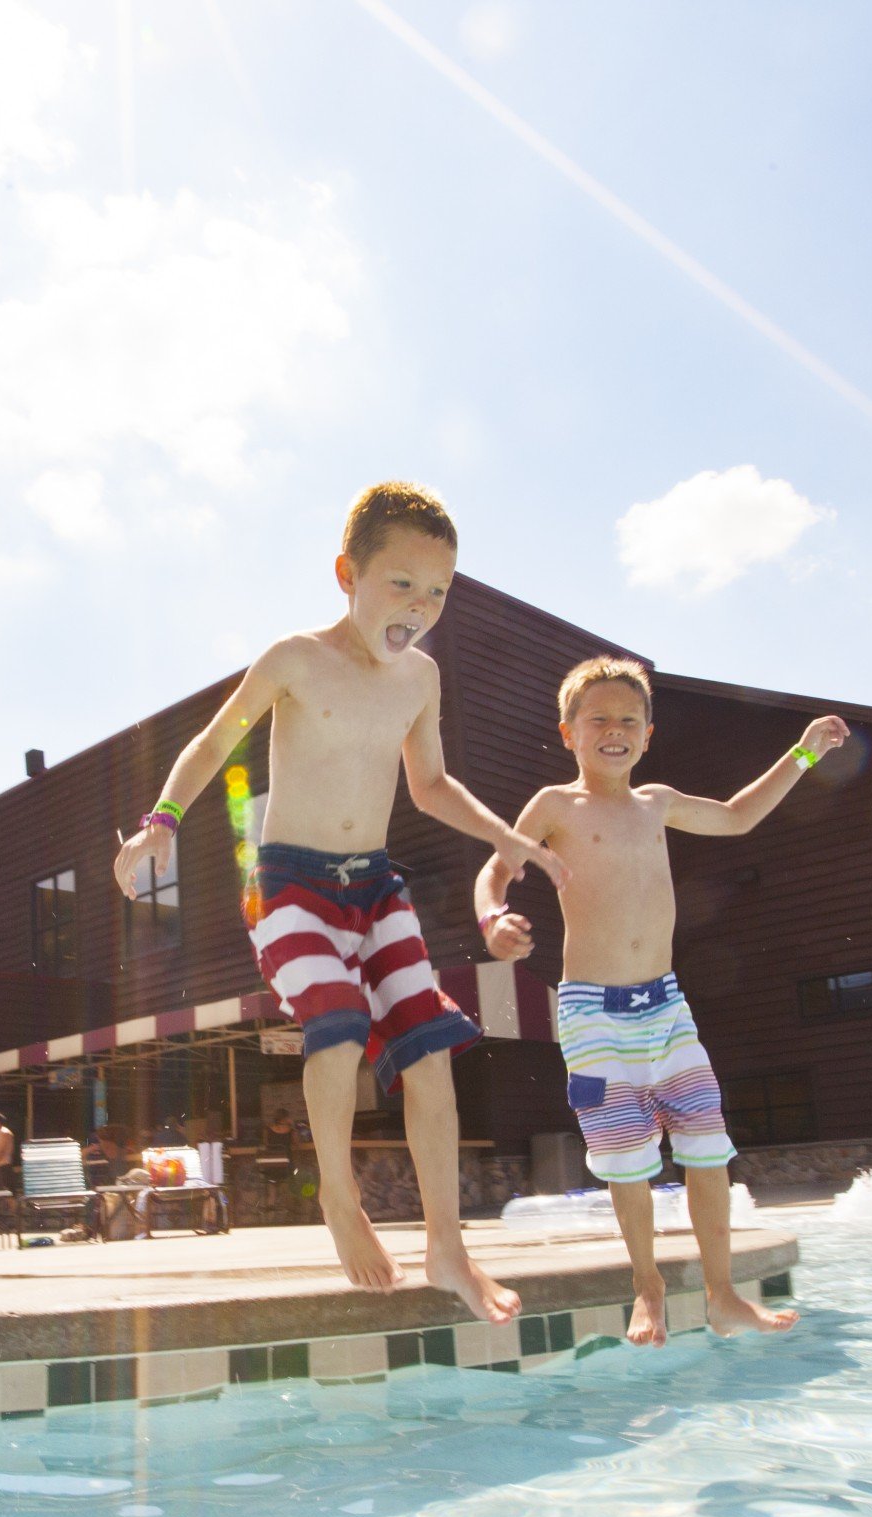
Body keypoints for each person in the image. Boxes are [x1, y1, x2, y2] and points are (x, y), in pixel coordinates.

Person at [113, 482, 566, 1323]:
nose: (420, 607)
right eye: (401, 584)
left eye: (438, 591)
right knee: (338, 1020)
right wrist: (161, 823)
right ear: (345, 575)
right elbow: (215, 740)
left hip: (375, 883)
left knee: (430, 1049)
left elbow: (429, 786)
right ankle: (338, 1197)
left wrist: (509, 838)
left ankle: (446, 1249)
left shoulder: (420, 678)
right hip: (290, 880)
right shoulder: (295, 658)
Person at [474, 656, 823, 1343]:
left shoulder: (656, 802)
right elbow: (496, 869)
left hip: (666, 1005)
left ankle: (722, 1294)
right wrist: (493, 918)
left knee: (706, 1146)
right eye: (598, 718)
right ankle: (650, 1288)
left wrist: (804, 752)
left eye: (628, 720)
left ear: (648, 733)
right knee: (627, 1159)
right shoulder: (554, 806)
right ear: (568, 732)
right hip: (589, 1011)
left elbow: (737, 815)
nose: (614, 730)